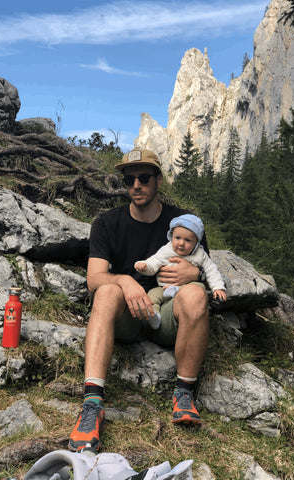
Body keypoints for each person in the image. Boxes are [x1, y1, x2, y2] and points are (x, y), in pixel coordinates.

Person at [69, 148, 218, 453]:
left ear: (158, 181)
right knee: (107, 290)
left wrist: (192, 273)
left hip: (168, 312)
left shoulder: (184, 222)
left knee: (195, 292)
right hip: (127, 313)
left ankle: (184, 394)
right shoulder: (107, 223)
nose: (136, 185)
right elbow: (95, 278)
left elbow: (204, 268)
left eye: (144, 177)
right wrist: (124, 280)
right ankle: (92, 406)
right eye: (129, 179)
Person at [134, 213, 226, 330]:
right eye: (177, 238)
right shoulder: (167, 250)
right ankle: (155, 316)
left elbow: (211, 270)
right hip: (164, 288)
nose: (181, 243)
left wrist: (218, 287)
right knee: (152, 296)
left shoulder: (200, 254)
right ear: (171, 236)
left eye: (188, 240)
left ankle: (176, 290)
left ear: (196, 242)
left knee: (198, 287)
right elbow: (154, 262)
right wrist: (145, 266)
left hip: (187, 289)